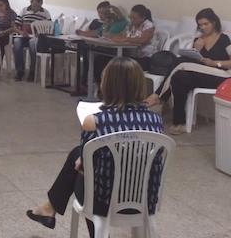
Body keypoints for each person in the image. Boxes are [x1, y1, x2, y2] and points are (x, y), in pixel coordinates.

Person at [26, 57, 164, 237]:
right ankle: (48, 208)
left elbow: (83, 165)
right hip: (144, 201)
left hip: (105, 204)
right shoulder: (156, 121)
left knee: (83, 170)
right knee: (79, 155)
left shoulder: (95, 121)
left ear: (108, 85)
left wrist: (81, 162)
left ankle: (52, 209)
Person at [147, 8, 231, 135]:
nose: (203, 27)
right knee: (179, 77)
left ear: (214, 22)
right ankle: (179, 122)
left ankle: (158, 95)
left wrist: (215, 63)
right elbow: (194, 60)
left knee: (180, 61)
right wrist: (196, 49)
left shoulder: (224, 39)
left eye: (206, 24)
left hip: (220, 75)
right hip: (200, 72)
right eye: (200, 25)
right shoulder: (199, 40)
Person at [13, 0, 52, 81]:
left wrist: (41, 33)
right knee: (16, 42)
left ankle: (32, 71)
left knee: (32, 43)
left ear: (41, 4)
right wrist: (21, 32)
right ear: (31, 2)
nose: (36, 8)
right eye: (34, 5)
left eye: (38, 6)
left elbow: (49, 28)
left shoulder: (45, 13)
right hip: (24, 36)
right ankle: (20, 71)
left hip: (36, 37)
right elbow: (15, 26)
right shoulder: (24, 10)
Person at [110, 4, 157, 70]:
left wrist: (126, 39)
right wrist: (113, 37)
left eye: (134, 18)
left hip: (145, 58)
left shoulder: (148, 25)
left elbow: (143, 40)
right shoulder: (131, 25)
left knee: (120, 65)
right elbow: (122, 35)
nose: (131, 20)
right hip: (132, 56)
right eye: (130, 17)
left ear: (143, 18)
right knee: (105, 59)